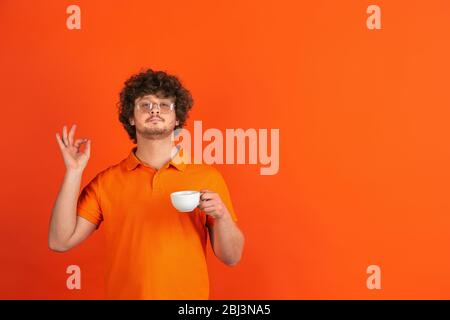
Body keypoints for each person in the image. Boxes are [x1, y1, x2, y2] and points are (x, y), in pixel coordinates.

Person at [48, 69, 245, 299]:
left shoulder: (207, 178)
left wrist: (221, 215)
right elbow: (59, 242)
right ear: (131, 117)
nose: (154, 110)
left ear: (177, 117)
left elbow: (232, 257)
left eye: (164, 104)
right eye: (145, 104)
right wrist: (73, 172)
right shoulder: (106, 182)